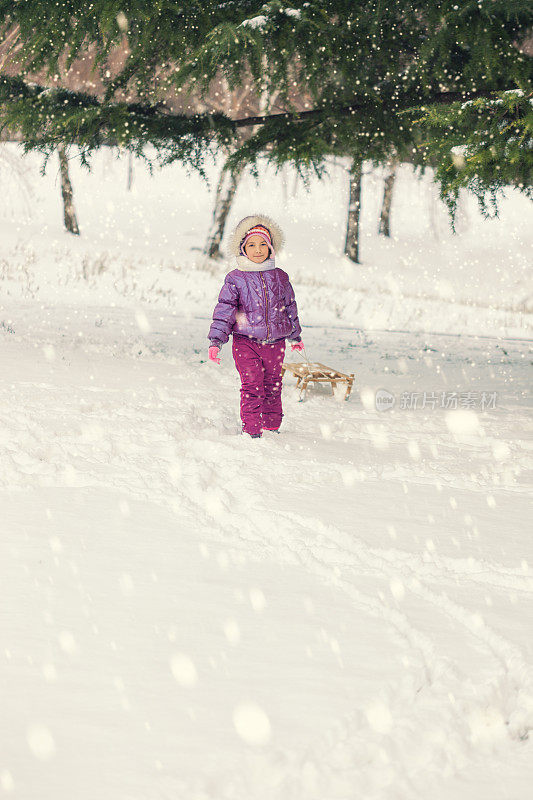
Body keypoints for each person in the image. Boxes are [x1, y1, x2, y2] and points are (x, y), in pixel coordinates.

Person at [208, 213, 304, 439]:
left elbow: (290, 307)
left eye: (263, 244)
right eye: (251, 244)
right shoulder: (236, 278)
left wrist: (295, 337)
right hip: (246, 343)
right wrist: (216, 341)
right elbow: (225, 310)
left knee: (273, 385)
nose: (258, 249)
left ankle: (272, 427)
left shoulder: (280, 277)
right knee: (253, 386)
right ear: (243, 249)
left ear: (271, 248)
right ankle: (251, 431)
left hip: (275, 343)